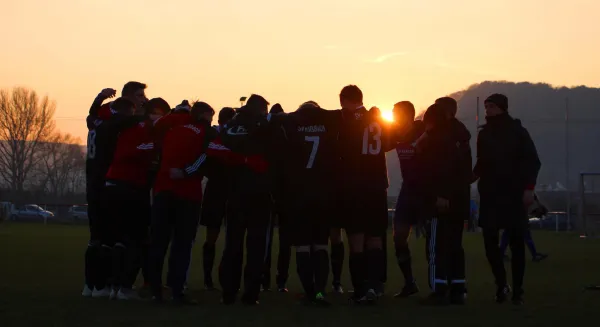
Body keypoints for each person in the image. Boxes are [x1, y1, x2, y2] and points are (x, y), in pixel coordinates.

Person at [473, 93, 541, 305]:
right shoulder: (483, 135)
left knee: (517, 243)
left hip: (513, 193)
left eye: (491, 106)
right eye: (486, 107)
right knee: (489, 242)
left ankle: (518, 290)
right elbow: (481, 164)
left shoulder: (518, 132)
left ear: (502, 107)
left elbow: (532, 161)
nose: (488, 110)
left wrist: (529, 189)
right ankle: (501, 284)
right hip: (490, 193)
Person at [148, 102, 215, 304]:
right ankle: (176, 290)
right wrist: (187, 172)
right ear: (204, 115)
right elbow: (206, 157)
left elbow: (156, 128)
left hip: (162, 190)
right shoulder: (206, 132)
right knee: (182, 244)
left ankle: (155, 289)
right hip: (188, 194)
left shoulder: (172, 125)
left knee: (159, 242)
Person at [277, 101, 342, 305]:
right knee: (321, 245)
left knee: (303, 246)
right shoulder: (328, 125)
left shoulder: (293, 125)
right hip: (323, 193)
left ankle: (309, 292)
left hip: (299, 194)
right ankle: (321, 291)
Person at [335, 85, 396, 304]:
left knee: (357, 240)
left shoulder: (349, 120)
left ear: (343, 100)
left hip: (355, 185)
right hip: (378, 185)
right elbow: (388, 143)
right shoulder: (377, 118)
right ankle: (376, 287)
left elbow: (342, 149)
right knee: (376, 239)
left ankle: (360, 289)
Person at [83, 87, 145, 298]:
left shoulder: (96, 121)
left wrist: (99, 97)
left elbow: (91, 114)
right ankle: (103, 285)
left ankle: (90, 285)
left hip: (92, 183)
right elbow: (132, 120)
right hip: (105, 183)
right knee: (110, 239)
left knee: (96, 238)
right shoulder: (115, 124)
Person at [213, 94, 272, 305]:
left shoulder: (230, 126)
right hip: (259, 192)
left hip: (234, 191)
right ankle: (251, 294)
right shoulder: (264, 126)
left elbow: (217, 149)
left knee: (233, 245)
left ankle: (228, 292)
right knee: (257, 248)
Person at [418, 103, 471, 305]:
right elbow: (463, 171)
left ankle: (438, 287)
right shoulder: (461, 136)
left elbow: (439, 171)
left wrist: (440, 195)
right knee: (455, 246)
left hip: (442, 201)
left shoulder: (439, 140)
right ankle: (458, 288)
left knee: (436, 246)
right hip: (460, 200)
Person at [103, 98, 155, 300]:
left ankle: (110, 285)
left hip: (114, 183)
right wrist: (155, 147)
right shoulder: (136, 127)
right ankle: (123, 286)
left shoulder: (114, 125)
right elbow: (130, 152)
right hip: (128, 186)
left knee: (118, 240)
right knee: (134, 239)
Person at [390, 101, 425, 298]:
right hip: (407, 190)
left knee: (433, 239)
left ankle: (441, 283)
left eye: (396, 114)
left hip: (425, 190)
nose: (394, 117)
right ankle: (409, 282)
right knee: (398, 237)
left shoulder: (422, 132)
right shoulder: (395, 134)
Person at [200, 107, 236, 290]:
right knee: (214, 236)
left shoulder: (226, 135)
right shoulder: (215, 136)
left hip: (222, 189)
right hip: (219, 188)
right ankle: (208, 277)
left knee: (227, 237)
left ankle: (220, 276)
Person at [262, 103, 292, 292]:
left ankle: (265, 281)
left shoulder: (265, 137)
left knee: (267, 240)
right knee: (284, 242)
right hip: (285, 193)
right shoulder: (288, 135)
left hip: (269, 192)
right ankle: (281, 281)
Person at [501, 194, 548, 262]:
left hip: (513, 217)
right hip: (518, 218)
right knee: (526, 236)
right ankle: (535, 255)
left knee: (506, 236)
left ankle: (501, 254)